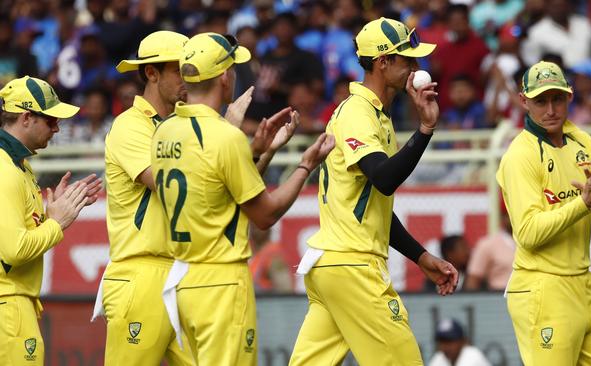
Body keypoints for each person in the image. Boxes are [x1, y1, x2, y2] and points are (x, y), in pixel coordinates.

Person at [151, 32, 334, 365]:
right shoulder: (225, 136)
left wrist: (263, 151)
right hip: (221, 282)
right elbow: (265, 215)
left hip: (183, 281)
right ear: (224, 77)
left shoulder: (164, 131)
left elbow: (218, 189)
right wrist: (306, 165)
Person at [289, 18, 458, 366]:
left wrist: (421, 256)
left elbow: (373, 204)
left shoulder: (375, 115)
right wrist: (426, 128)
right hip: (353, 265)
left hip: (334, 265)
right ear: (383, 62)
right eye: (406, 58)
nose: (415, 66)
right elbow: (383, 178)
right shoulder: (358, 112)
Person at [497, 60, 591, 365]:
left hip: (584, 283)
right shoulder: (520, 156)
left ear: (569, 97)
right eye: (540, 101)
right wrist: (585, 202)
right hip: (542, 288)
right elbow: (529, 233)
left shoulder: (582, 141)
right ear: (524, 102)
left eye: (557, 99)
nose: (550, 109)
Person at [95, 30, 196, 366]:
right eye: (180, 70)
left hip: (181, 272)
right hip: (142, 273)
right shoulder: (130, 126)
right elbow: (171, 184)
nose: (189, 80)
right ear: (151, 73)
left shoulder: (182, 125)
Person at [0, 76, 100, 365]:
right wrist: (57, 222)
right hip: (9, 308)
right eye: (50, 120)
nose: (57, 128)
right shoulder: (7, 170)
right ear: (27, 117)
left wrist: (47, 217)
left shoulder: (20, 166)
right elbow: (14, 251)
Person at [465, 206, 515, 291]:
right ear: (502, 217)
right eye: (510, 214)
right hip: (499, 297)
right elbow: (473, 280)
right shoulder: (488, 244)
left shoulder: (535, 240)